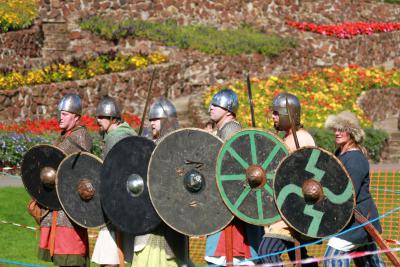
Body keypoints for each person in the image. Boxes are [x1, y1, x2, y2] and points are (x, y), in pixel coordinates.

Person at [205, 88, 264, 266]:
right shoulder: (224, 130)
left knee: (227, 258)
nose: (211, 107)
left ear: (229, 109)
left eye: (216, 104)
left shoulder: (231, 131)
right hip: (227, 208)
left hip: (233, 214)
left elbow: (231, 173)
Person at [258, 92, 318, 266]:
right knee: (299, 257)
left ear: (288, 114)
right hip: (283, 208)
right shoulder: (289, 138)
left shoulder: (302, 138)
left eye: (277, 113)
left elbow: (307, 177)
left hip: (293, 209)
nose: (273, 116)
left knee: (267, 252)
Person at [323, 111, 385, 267]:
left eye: (342, 129)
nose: (337, 133)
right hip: (347, 220)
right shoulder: (339, 153)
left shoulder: (355, 159)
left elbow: (347, 195)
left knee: (331, 259)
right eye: (336, 129)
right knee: (371, 264)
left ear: (352, 132)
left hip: (359, 221)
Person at [39, 93, 92, 266]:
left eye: (65, 114)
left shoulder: (79, 136)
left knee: (71, 256)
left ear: (76, 117)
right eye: (59, 113)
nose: (60, 117)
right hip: (60, 207)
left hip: (70, 208)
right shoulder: (66, 135)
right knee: (62, 257)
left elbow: (78, 172)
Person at [132, 96, 185, 267]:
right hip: (149, 219)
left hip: (168, 223)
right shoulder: (154, 144)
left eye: (156, 119)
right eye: (150, 120)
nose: (152, 123)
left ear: (167, 121)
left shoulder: (176, 146)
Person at [91, 96, 136, 266]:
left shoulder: (115, 137)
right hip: (128, 203)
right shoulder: (127, 133)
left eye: (102, 117)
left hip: (115, 205)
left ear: (112, 118)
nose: (98, 120)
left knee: (109, 259)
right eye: (98, 116)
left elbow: (111, 173)